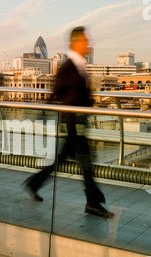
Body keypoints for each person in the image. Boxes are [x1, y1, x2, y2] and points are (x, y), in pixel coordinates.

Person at [22, 26, 114, 218]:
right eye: (86, 40)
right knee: (86, 164)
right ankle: (93, 203)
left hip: (78, 122)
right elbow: (57, 90)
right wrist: (46, 112)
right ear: (77, 43)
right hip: (73, 124)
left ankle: (34, 183)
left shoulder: (79, 65)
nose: (90, 43)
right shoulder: (68, 67)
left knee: (65, 160)